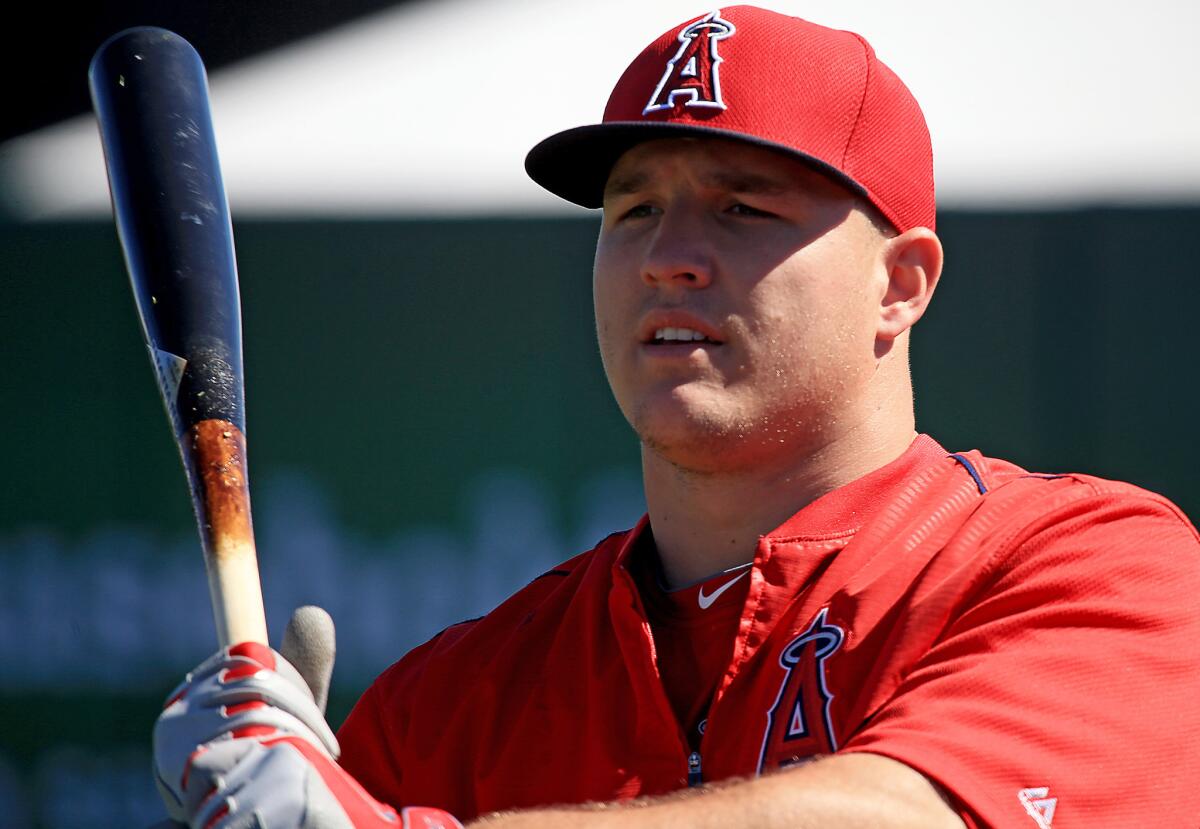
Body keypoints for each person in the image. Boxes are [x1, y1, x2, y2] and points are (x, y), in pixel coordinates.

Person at [152, 6, 1200, 828]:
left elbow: (915, 815)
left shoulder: (1090, 566)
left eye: (743, 206)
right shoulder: (450, 705)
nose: (666, 255)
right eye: (634, 209)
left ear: (901, 284)